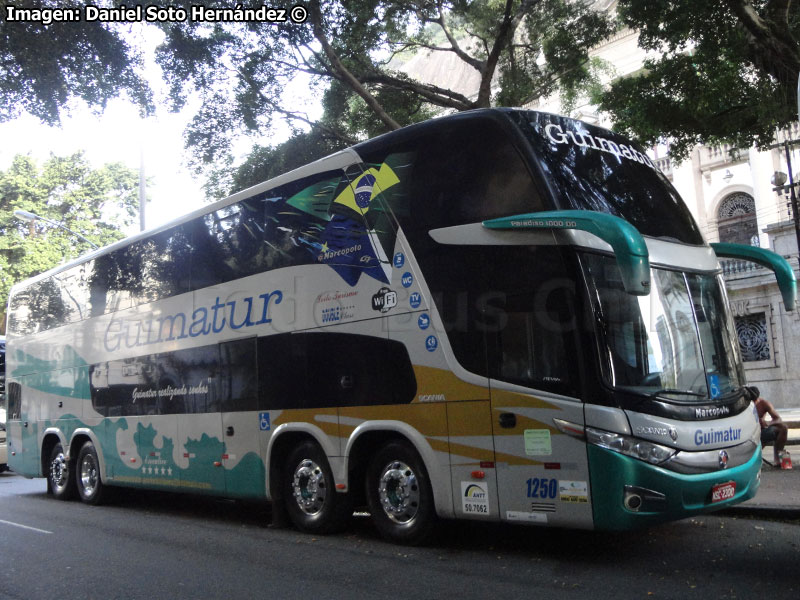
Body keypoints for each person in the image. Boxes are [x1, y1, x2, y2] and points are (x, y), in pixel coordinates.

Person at [747, 386, 789, 467]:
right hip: (750, 435)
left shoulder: (763, 403)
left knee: (783, 428)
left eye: (755, 400)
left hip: (762, 432)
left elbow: (778, 419)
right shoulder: (745, 406)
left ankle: (778, 459)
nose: (753, 403)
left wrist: (768, 423)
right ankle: (753, 459)